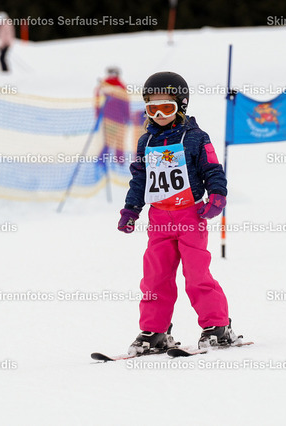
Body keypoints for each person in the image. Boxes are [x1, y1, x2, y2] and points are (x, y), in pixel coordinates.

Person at [117, 71, 240, 355]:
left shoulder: (195, 137)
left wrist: (217, 195)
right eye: (153, 109)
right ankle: (155, 331)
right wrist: (131, 210)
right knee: (155, 277)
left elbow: (212, 169)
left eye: (166, 108)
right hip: (159, 218)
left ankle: (217, 326)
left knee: (196, 274)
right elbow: (140, 179)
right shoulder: (146, 142)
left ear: (181, 106)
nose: (159, 115)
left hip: (190, 216)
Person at [94, 67, 130, 163]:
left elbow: (97, 103)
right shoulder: (121, 87)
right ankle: (119, 162)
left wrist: (97, 115)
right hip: (119, 120)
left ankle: (102, 161)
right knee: (119, 142)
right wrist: (127, 117)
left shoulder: (101, 87)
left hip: (106, 120)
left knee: (107, 141)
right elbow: (126, 104)